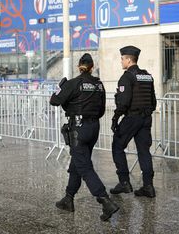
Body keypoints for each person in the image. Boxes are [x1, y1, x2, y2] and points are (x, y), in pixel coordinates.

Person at [50, 53, 119, 221]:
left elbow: (54, 101)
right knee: (77, 163)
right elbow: (102, 109)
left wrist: (60, 87)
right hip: (93, 127)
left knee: (85, 167)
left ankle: (105, 201)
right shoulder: (99, 85)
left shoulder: (73, 83)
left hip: (78, 129)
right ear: (92, 67)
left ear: (78, 67)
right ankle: (68, 198)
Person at [110, 45, 157, 198]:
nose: (121, 62)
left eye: (122, 59)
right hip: (146, 118)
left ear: (129, 60)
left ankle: (124, 182)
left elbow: (123, 102)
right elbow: (153, 102)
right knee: (144, 151)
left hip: (132, 117)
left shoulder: (127, 77)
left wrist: (116, 117)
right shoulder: (148, 76)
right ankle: (148, 186)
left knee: (117, 145)